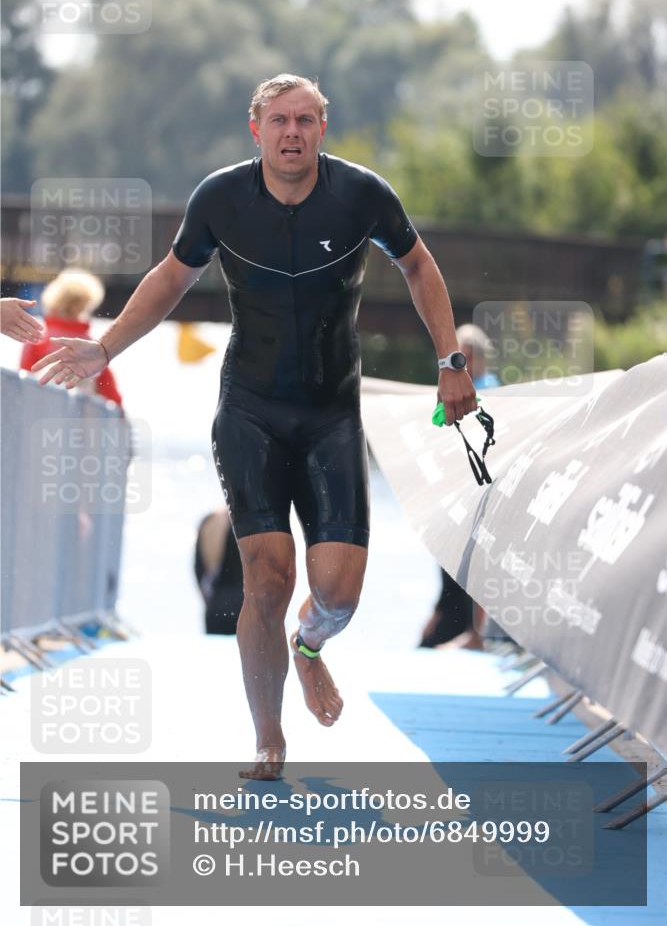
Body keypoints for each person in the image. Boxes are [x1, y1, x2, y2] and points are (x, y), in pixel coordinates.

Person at [30, 73, 478, 779]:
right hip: (250, 411)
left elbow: (419, 265)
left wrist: (450, 359)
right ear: (256, 129)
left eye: (305, 120)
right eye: (279, 120)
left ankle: (309, 646)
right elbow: (170, 279)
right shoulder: (221, 198)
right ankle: (268, 738)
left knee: (338, 594)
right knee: (266, 579)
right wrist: (105, 347)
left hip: (331, 413)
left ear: (322, 129)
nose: (292, 132)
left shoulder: (361, 195)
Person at [420, 323, 499, 651]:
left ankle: (478, 634)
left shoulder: (491, 390)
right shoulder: (452, 388)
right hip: (458, 490)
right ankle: (448, 620)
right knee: (450, 559)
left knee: (477, 561)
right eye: (457, 359)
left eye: (465, 359)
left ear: (479, 360)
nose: (460, 366)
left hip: (483, 492)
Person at [20, 269, 124, 407]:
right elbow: (111, 395)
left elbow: (22, 383)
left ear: (53, 302)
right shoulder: (93, 347)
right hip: (79, 415)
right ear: (87, 306)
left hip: (42, 409)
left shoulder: (38, 340)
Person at [194, 506, 244, 634]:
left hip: (214, 608)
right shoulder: (246, 522)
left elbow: (199, 572)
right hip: (245, 607)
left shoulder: (208, 522)